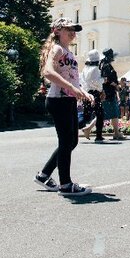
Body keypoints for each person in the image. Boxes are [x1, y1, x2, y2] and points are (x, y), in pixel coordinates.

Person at [34, 18, 94, 196]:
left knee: (71, 141)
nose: (73, 32)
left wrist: (83, 91)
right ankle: (66, 185)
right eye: (69, 29)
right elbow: (48, 72)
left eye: (74, 30)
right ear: (57, 30)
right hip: (59, 100)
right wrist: (73, 89)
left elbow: (72, 78)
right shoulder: (58, 48)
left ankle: (44, 175)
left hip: (67, 100)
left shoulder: (68, 51)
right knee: (66, 142)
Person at [79, 49, 102, 140]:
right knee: (100, 114)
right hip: (94, 93)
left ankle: (75, 127)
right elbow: (96, 82)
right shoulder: (95, 69)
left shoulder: (85, 69)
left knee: (87, 115)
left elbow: (83, 81)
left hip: (86, 92)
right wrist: (103, 82)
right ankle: (98, 136)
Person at [100, 48, 123, 140]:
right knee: (111, 113)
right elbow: (105, 79)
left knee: (111, 113)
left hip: (109, 92)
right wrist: (116, 85)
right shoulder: (106, 66)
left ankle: (116, 132)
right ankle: (116, 133)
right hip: (108, 93)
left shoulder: (105, 65)